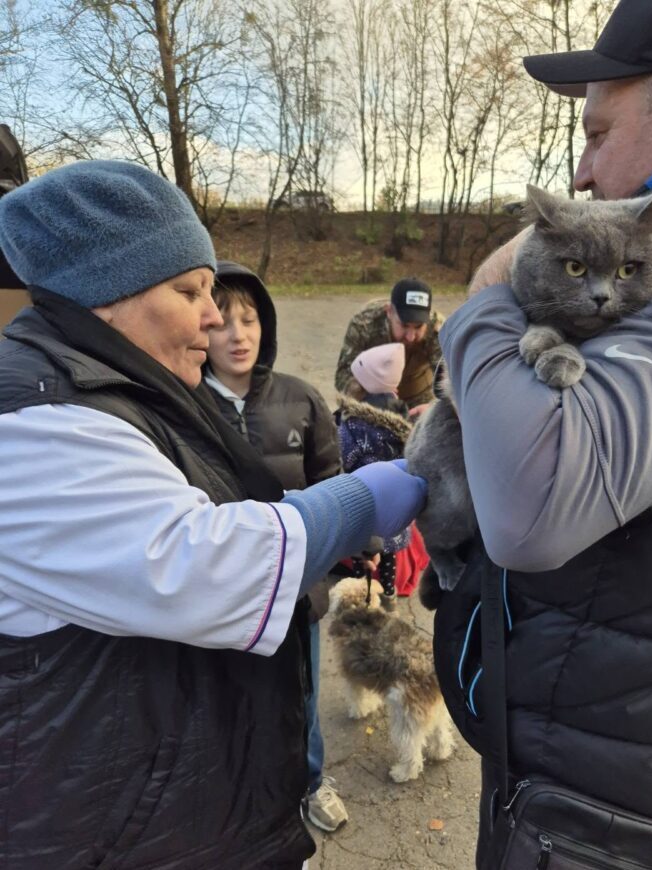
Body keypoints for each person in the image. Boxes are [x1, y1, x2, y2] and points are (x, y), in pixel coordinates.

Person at [0, 159, 426, 869]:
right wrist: (362, 501)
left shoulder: (126, 388)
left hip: (165, 814)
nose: (212, 313)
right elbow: (201, 560)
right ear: (106, 295)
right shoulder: (36, 423)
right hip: (111, 835)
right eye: (190, 289)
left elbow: (221, 509)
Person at [436, 0, 652, 865]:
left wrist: (490, 298)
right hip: (588, 767)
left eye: (599, 132)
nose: (583, 164)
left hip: (603, 816)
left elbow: (534, 508)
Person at [203, 259, 348, 832]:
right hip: (217, 590)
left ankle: (311, 780)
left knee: (301, 694)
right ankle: (234, 789)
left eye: (250, 319)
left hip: (294, 592)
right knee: (221, 698)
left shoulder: (302, 400)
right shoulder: (178, 405)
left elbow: (334, 488)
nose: (237, 335)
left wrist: (323, 576)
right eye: (221, 321)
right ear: (200, 326)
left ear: (266, 326)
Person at [336, 343, 413, 607]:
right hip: (396, 507)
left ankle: (361, 596)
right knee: (389, 554)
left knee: (362, 554)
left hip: (362, 503)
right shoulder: (404, 420)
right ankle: (389, 594)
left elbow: (344, 459)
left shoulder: (353, 424)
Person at [334, 277, 443, 414]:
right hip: (370, 397)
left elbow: (451, 381)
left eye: (418, 327)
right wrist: (369, 394)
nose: (410, 336)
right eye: (404, 325)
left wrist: (435, 408)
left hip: (419, 398)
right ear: (389, 312)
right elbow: (343, 375)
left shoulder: (438, 330)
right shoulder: (364, 324)